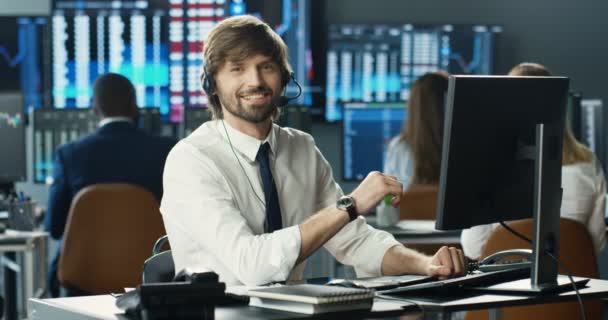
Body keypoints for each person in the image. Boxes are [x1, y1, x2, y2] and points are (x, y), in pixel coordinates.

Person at [160, 15, 466, 287]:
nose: (254, 81)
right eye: (237, 69)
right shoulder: (191, 160)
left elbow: (356, 242)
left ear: (284, 78)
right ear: (211, 83)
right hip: (222, 314)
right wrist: (350, 205)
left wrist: (425, 265)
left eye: (266, 67)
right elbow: (252, 266)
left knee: (406, 311)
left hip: (291, 311)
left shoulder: (300, 147)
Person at [44, 73, 177, 296]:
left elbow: (55, 228)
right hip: (153, 281)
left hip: (82, 282)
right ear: (134, 106)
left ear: (95, 109)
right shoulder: (168, 151)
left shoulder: (69, 155)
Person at [461, 62, 607, 260]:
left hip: (503, 287)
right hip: (573, 286)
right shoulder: (589, 164)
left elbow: (474, 249)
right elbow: (595, 243)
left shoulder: (490, 165)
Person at [377, 71, 449, 226]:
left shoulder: (398, 148)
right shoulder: (465, 148)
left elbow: (387, 212)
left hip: (410, 245)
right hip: (456, 245)